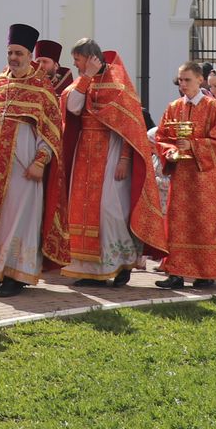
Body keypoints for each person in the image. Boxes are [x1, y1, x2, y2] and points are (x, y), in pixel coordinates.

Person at [0, 24, 69, 297]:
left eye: (19, 53)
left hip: (24, 168)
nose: (13, 58)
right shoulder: (0, 82)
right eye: (10, 52)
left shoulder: (41, 87)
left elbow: (52, 130)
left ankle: (15, 274)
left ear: (29, 54)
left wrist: (40, 161)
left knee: (19, 219)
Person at [59, 40, 165, 288]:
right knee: (82, 212)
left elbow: (131, 128)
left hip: (112, 151)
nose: (74, 64)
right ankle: (89, 270)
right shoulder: (82, 82)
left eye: (78, 59)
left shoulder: (117, 83)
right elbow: (73, 107)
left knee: (110, 211)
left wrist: (126, 159)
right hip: (85, 151)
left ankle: (123, 263)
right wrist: (86, 78)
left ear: (90, 57)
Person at [152, 62, 216, 289]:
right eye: (180, 80)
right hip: (181, 176)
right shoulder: (173, 107)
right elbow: (161, 136)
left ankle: (206, 273)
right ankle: (175, 273)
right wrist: (170, 151)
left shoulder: (214, 107)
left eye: (187, 79)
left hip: (205, 177)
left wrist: (193, 144)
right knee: (178, 222)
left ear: (200, 80)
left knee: (205, 223)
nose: (183, 84)